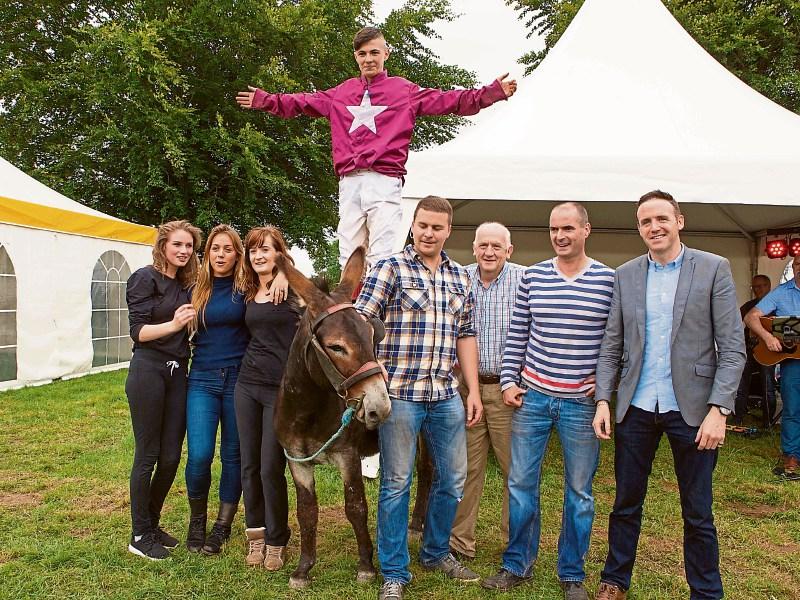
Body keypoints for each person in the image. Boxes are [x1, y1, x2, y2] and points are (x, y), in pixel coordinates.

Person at [236, 26, 517, 268]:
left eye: (374, 52)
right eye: (362, 54)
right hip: (349, 180)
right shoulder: (342, 93)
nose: (368, 59)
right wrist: (265, 100)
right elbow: (301, 102)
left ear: (386, 54)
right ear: (355, 57)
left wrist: (491, 93)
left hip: (384, 178)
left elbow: (449, 101)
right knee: (348, 250)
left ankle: (377, 310)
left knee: (382, 252)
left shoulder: (403, 90)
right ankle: (347, 310)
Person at [592, 190, 745, 600]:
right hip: (636, 406)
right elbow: (611, 343)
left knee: (698, 512)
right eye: (645, 222)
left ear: (680, 220)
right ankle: (615, 581)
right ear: (639, 228)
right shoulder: (624, 274)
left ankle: (706, 592)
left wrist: (720, 410)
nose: (654, 227)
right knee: (625, 503)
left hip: (693, 410)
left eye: (661, 218)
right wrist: (604, 400)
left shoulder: (714, 268)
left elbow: (732, 348)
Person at [482, 203, 614, 600]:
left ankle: (572, 573)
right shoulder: (534, 276)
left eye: (569, 228)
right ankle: (516, 564)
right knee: (521, 484)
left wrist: (606, 385)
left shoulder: (608, 280)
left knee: (580, 492)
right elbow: (517, 334)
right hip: (533, 398)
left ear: (586, 230)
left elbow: (616, 340)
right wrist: (508, 382)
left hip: (581, 403)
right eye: (555, 229)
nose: (560, 235)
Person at [355, 195, 483, 600]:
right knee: (396, 481)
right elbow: (360, 324)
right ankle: (394, 570)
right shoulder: (389, 268)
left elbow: (465, 335)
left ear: (449, 231)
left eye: (437, 227)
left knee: (453, 478)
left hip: (445, 393)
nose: (429, 233)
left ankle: (436, 551)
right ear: (414, 226)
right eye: (423, 225)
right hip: (400, 394)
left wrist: (473, 390)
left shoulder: (461, 277)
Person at [184, 225, 288, 555]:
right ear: (207, 253)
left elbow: (272, 277)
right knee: (199, 455)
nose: (220, 255)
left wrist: (285, 270)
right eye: (215, 248)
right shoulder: (195, 290)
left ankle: (222, 526)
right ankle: (197, 520)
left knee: (235, 456)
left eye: (228, 249)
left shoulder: (244, 287)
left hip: (239, 378)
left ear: (236, 254)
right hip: (201, 378)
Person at [125, 220, 201, 560]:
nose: (184, 251)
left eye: (189, 246)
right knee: (148, 455)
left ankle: (151, 524)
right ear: (163, 246)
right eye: (178, 245)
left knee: (171, 456)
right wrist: (174, 324)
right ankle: (139, 533)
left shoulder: (187, 284)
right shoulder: (144, 277)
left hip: (177, 374)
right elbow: (137, 332)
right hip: (148, 369)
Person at [448, 222, 522, 561]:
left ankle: (515, 543)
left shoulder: (525, 280)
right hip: (466, 389)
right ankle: (460, 543)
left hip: (510, 392)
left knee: (515, 472)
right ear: (474, 248)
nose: (489, 252)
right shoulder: (458, 278)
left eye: (496, 246)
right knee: (466, 469)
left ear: (509, 250)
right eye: (483, 246)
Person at [234, 226, 300, 570]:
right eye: (254, 250)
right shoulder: (247, 290)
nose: (259, 255)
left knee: (270, 467)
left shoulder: (291, 291)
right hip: (247, 385)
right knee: (249, 465)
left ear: (279, 253)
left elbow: (319, 289)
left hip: (279, 388)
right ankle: (255, 535)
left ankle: (277, 539)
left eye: (266, 249)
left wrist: (288, 273)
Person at [744, 254, 800, 481]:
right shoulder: (782, 292)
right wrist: (768, 338)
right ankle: (792, 458)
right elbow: (751, 317)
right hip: (793, 364)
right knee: (793, 410)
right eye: (798, 264)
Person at [733, 274, 775, 424]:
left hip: (768, 352)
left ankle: (768, 421)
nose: (758, 289)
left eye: (761, 286)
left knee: (768, 385)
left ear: (769, 286)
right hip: (749, 349)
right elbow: (733, 325)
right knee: (741, 384)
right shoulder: (748, 306)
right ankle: (738, 418)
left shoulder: (777, 306)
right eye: (755, 287)